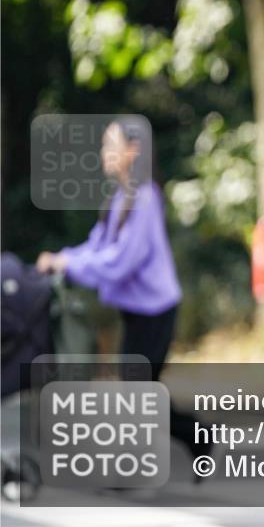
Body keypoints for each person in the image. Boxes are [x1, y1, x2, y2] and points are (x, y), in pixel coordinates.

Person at [35, 116, 209, 469]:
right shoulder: (122, 198)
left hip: (155, 312)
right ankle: (192, 440)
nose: (104, 152)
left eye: (110, 145)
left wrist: (66, 265)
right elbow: (97, 247)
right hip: (138, 312)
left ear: (134, 151)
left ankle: (188, 441)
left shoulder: (145, 199)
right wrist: (63, 258)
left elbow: (119, 262)